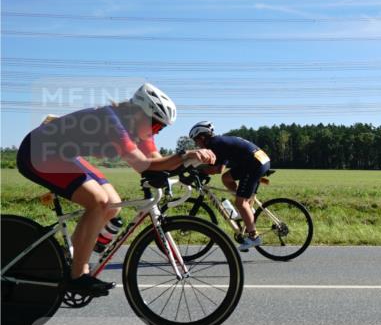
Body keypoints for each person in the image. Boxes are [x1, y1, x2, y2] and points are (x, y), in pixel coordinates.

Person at [16, 84, 216, 296]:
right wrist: (185, 155)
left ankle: (68, 259)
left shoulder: (140, 128)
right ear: (139, 112)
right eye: (155, 125)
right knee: (99, 202)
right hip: (38, 151)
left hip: (64, 154)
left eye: (160, 129)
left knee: (112, 205)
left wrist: (191, 164)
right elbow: (141, 164)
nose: (154, 131)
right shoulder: (112, 121)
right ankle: (78, 275)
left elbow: (157, 161)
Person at [187, 121, 271, 252]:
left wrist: (198, 170)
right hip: (257, 160)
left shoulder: (215, 144)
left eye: (196, 140)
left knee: (240, 202)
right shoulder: (219, 142)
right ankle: (247, 208)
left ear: (202, 137)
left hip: (255, 164)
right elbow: (221, 169)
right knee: (226, 178)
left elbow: (216, 169)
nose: (196, 144)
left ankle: (254, 236)